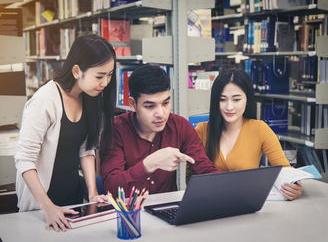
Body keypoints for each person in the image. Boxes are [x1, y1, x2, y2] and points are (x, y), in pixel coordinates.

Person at [14, 34, 116, 231]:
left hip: (74, 201)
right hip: (41, 207)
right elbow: (24, 159)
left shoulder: (90, 98)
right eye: (100, 76)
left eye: (110, 75)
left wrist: (93, 194)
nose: (105, 82)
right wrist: (48, 207)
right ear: (77, 71)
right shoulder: (45, 100)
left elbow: (86, 150)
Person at [99, 64, 218, 198]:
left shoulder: (180, 126)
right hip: (128, 214)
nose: (161, 113)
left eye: (165, 103)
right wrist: (149, 164)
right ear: (132, 104)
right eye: (150, 106)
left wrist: (233, 186)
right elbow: (111, 187)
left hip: (165, 211)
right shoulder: (116, 130)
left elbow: (204, 170)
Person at [195, 67, 303, 201]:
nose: (229, 107)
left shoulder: (260, 129)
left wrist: (293, 188)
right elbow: (191, 177)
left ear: (247, 99)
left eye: (236, 99)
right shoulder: (202, 130)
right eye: (222, 99)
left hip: (246, 206)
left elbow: (285, 170)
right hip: (208, 204)